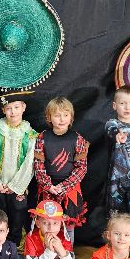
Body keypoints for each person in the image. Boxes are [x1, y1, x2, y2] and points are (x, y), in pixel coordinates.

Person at [0, 91, 37, 246]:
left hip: (18, 186)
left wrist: (15, 186)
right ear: (3, 110)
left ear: (23, 108)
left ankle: (14, 246)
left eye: (16, 107)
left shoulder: (30, 135)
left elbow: (29, 163)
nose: (13, 112)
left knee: (18, 215)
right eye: (9, 108)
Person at [34, 96, 89, 243]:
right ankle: (48, 252)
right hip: (47, 189)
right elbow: (38, 166)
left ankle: (68, 252)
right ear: (49, 117)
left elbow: (81, 168)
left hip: (70, 190)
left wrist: (64, 187)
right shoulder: (41, 138)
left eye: (65, 115)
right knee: (47, 223)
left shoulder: (78, 139)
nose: (62, 119)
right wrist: (48, 186)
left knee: (68, 224)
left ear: (71, 117)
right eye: (57, 115)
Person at [105, 86, 130, 222]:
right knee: (113, 214)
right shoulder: (112, 124)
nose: (127, 107)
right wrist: (117, 135)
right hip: (116, 179)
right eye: (122, 103)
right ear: (114, 106)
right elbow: (111, 130)